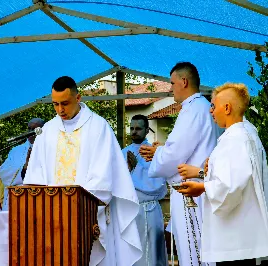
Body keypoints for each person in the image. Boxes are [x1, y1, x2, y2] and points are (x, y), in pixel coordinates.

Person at [24, 76, 142, 265]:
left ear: (78, 98)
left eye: (65, 103)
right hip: (51, 218)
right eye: (55, 104)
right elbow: (35, 176)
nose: (60, 110)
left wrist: (74, 206)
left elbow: (102, 176)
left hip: (88, 214)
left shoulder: (98, 127)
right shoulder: (47, 131)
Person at [177, 83, 268, 265]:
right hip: (240, 235)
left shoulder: (235, 140)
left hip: (234, 237)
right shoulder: (243, 136)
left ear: (227, 108)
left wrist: (202, 187)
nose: (211, 111)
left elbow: (230, 186)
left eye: (213, 105)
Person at [139, 62, 220, 266]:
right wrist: (162, 150)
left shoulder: (193, 109)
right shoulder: (202, 108)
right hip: (199, 186)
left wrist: (158, 153)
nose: (170, 88)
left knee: (194, 249)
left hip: (191, 191)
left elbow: (176, 153)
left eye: (172, 83)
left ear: (184, 82)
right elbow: (186, 147)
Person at [122, 115, 168, 266]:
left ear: (147, 130)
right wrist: (128, 170)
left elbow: (157, 184)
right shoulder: (122, 153)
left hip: (150, 208)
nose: (134, 132)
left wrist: (136, 168)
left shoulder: (155, 153)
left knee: (152, 253)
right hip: (130, 211)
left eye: (138, 128)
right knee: (131, 253)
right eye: (132, 128)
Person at [0, 118, 45, 210]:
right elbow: (3, 172)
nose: (31, 132)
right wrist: (24, 169)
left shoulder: (51, 149)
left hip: (40, 199)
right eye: (29, 129)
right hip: (16, 199)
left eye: (35, 129)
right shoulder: (16, 150)